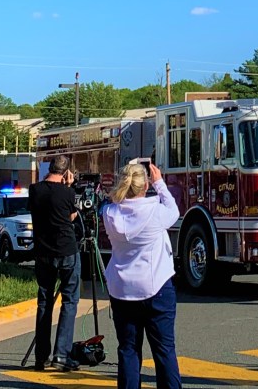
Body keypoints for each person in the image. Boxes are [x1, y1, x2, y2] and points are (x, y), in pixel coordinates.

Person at [103, 161, 182, 389]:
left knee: (128, 349)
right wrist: (160, 184)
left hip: (122, 289)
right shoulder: (156, 212)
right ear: (145, 184)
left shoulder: (109, 214)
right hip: (156, 287)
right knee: (164, 349)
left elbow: (112, 203)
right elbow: (174, 210)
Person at [28, 155, 81, 372]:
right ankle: (61, 354)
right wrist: (69, 187)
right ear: (67, 171)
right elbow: (71, 216)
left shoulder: (34, 189)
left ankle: (41, 356)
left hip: (43, 252)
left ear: (49, 168)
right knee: (69, 301)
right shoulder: (67, 192)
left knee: (44, 302)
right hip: (67, 250)